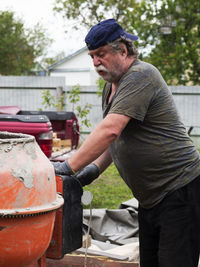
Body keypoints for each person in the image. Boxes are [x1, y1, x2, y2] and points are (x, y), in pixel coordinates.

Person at [52, 19, 200, 267]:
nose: (96, 62)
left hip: (179, 190)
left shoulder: (142, 75)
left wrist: (68, 167)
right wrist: (91, 171)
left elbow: (110, 130)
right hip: (150, 197)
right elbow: (116, 140)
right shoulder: (111, 87)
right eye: (92, 56)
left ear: (122, 49)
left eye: (101, 54)